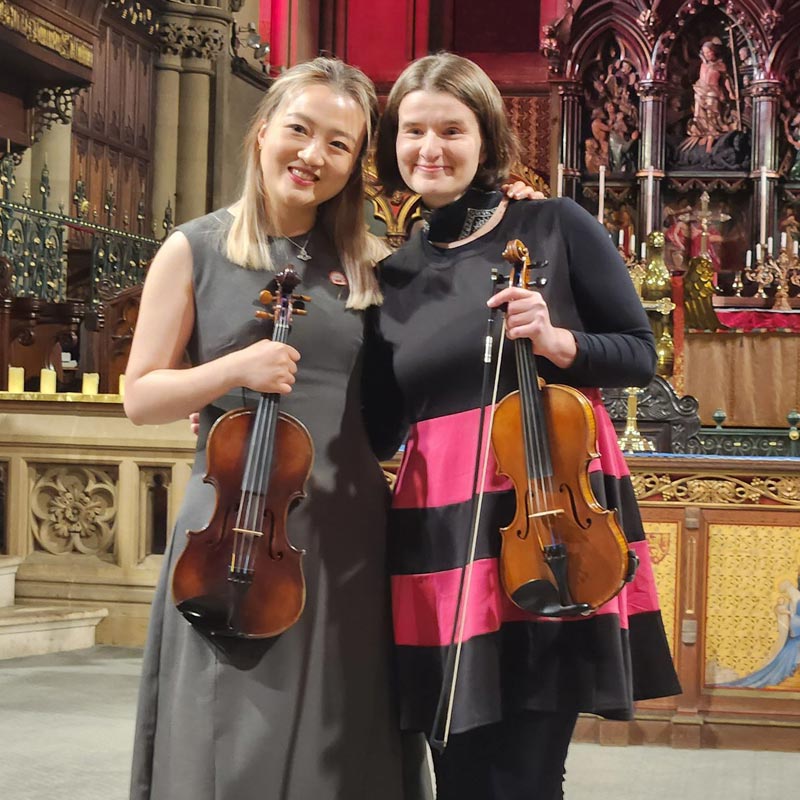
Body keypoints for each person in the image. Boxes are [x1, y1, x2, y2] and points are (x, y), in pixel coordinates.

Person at [366, 52, 681, 800]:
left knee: (527, 774)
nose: (430, 148)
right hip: (440, 537)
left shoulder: (553, 225)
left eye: (451, 128)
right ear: (392, 144)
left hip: (546, 525)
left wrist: (559, 342)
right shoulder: (392, 274)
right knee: (459, 772)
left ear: (487, 139)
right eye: (413, 131)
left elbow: (640, 354)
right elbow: (378, 429)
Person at [124, 56, 433, 800]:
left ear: (357, 163)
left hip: (347, 525)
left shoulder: (369, 267)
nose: (312, 155)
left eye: (339, 144)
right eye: (300, 129)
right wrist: (231, 372)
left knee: (344, 729)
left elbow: (391, 411)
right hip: (234, 527)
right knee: (231, 724)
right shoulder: (193, 249)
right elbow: (141, 396)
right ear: (262, 132)